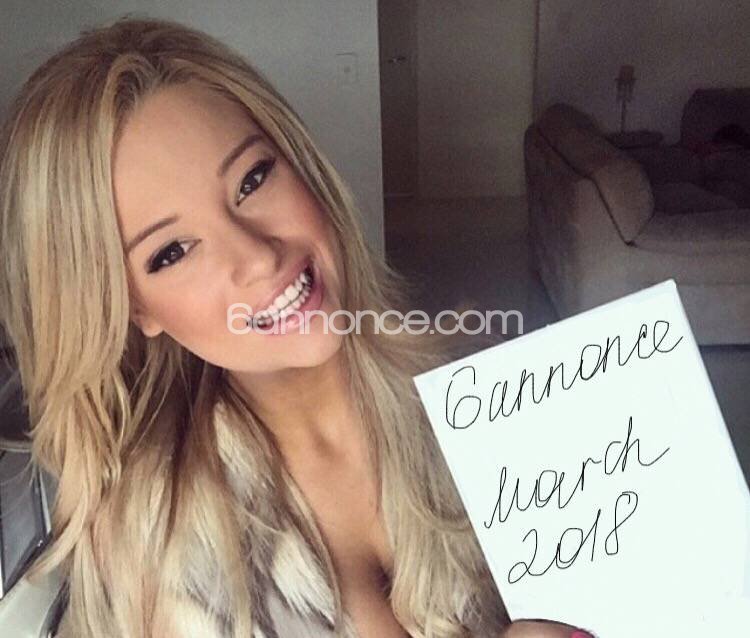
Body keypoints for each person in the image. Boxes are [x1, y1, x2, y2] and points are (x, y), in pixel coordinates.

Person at [0, 17, 595, 638]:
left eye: (252, 180)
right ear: (133, 308)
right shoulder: (151, 547)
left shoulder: (498, 390)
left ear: (301, 165)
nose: (258, 256)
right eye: (172, 252)